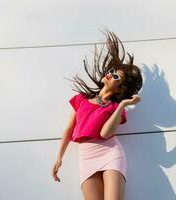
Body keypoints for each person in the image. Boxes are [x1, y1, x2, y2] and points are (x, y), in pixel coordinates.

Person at [51, 28, 143, 200]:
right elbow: (69, 129)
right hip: (86, 155)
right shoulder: (81, 99)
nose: (109, 74)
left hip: (110, 153)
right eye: (110, 71)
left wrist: (122, 104)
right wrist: (59, 158)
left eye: (115, 76)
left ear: (120, 88)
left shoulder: (115, 107)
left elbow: (105, 133)